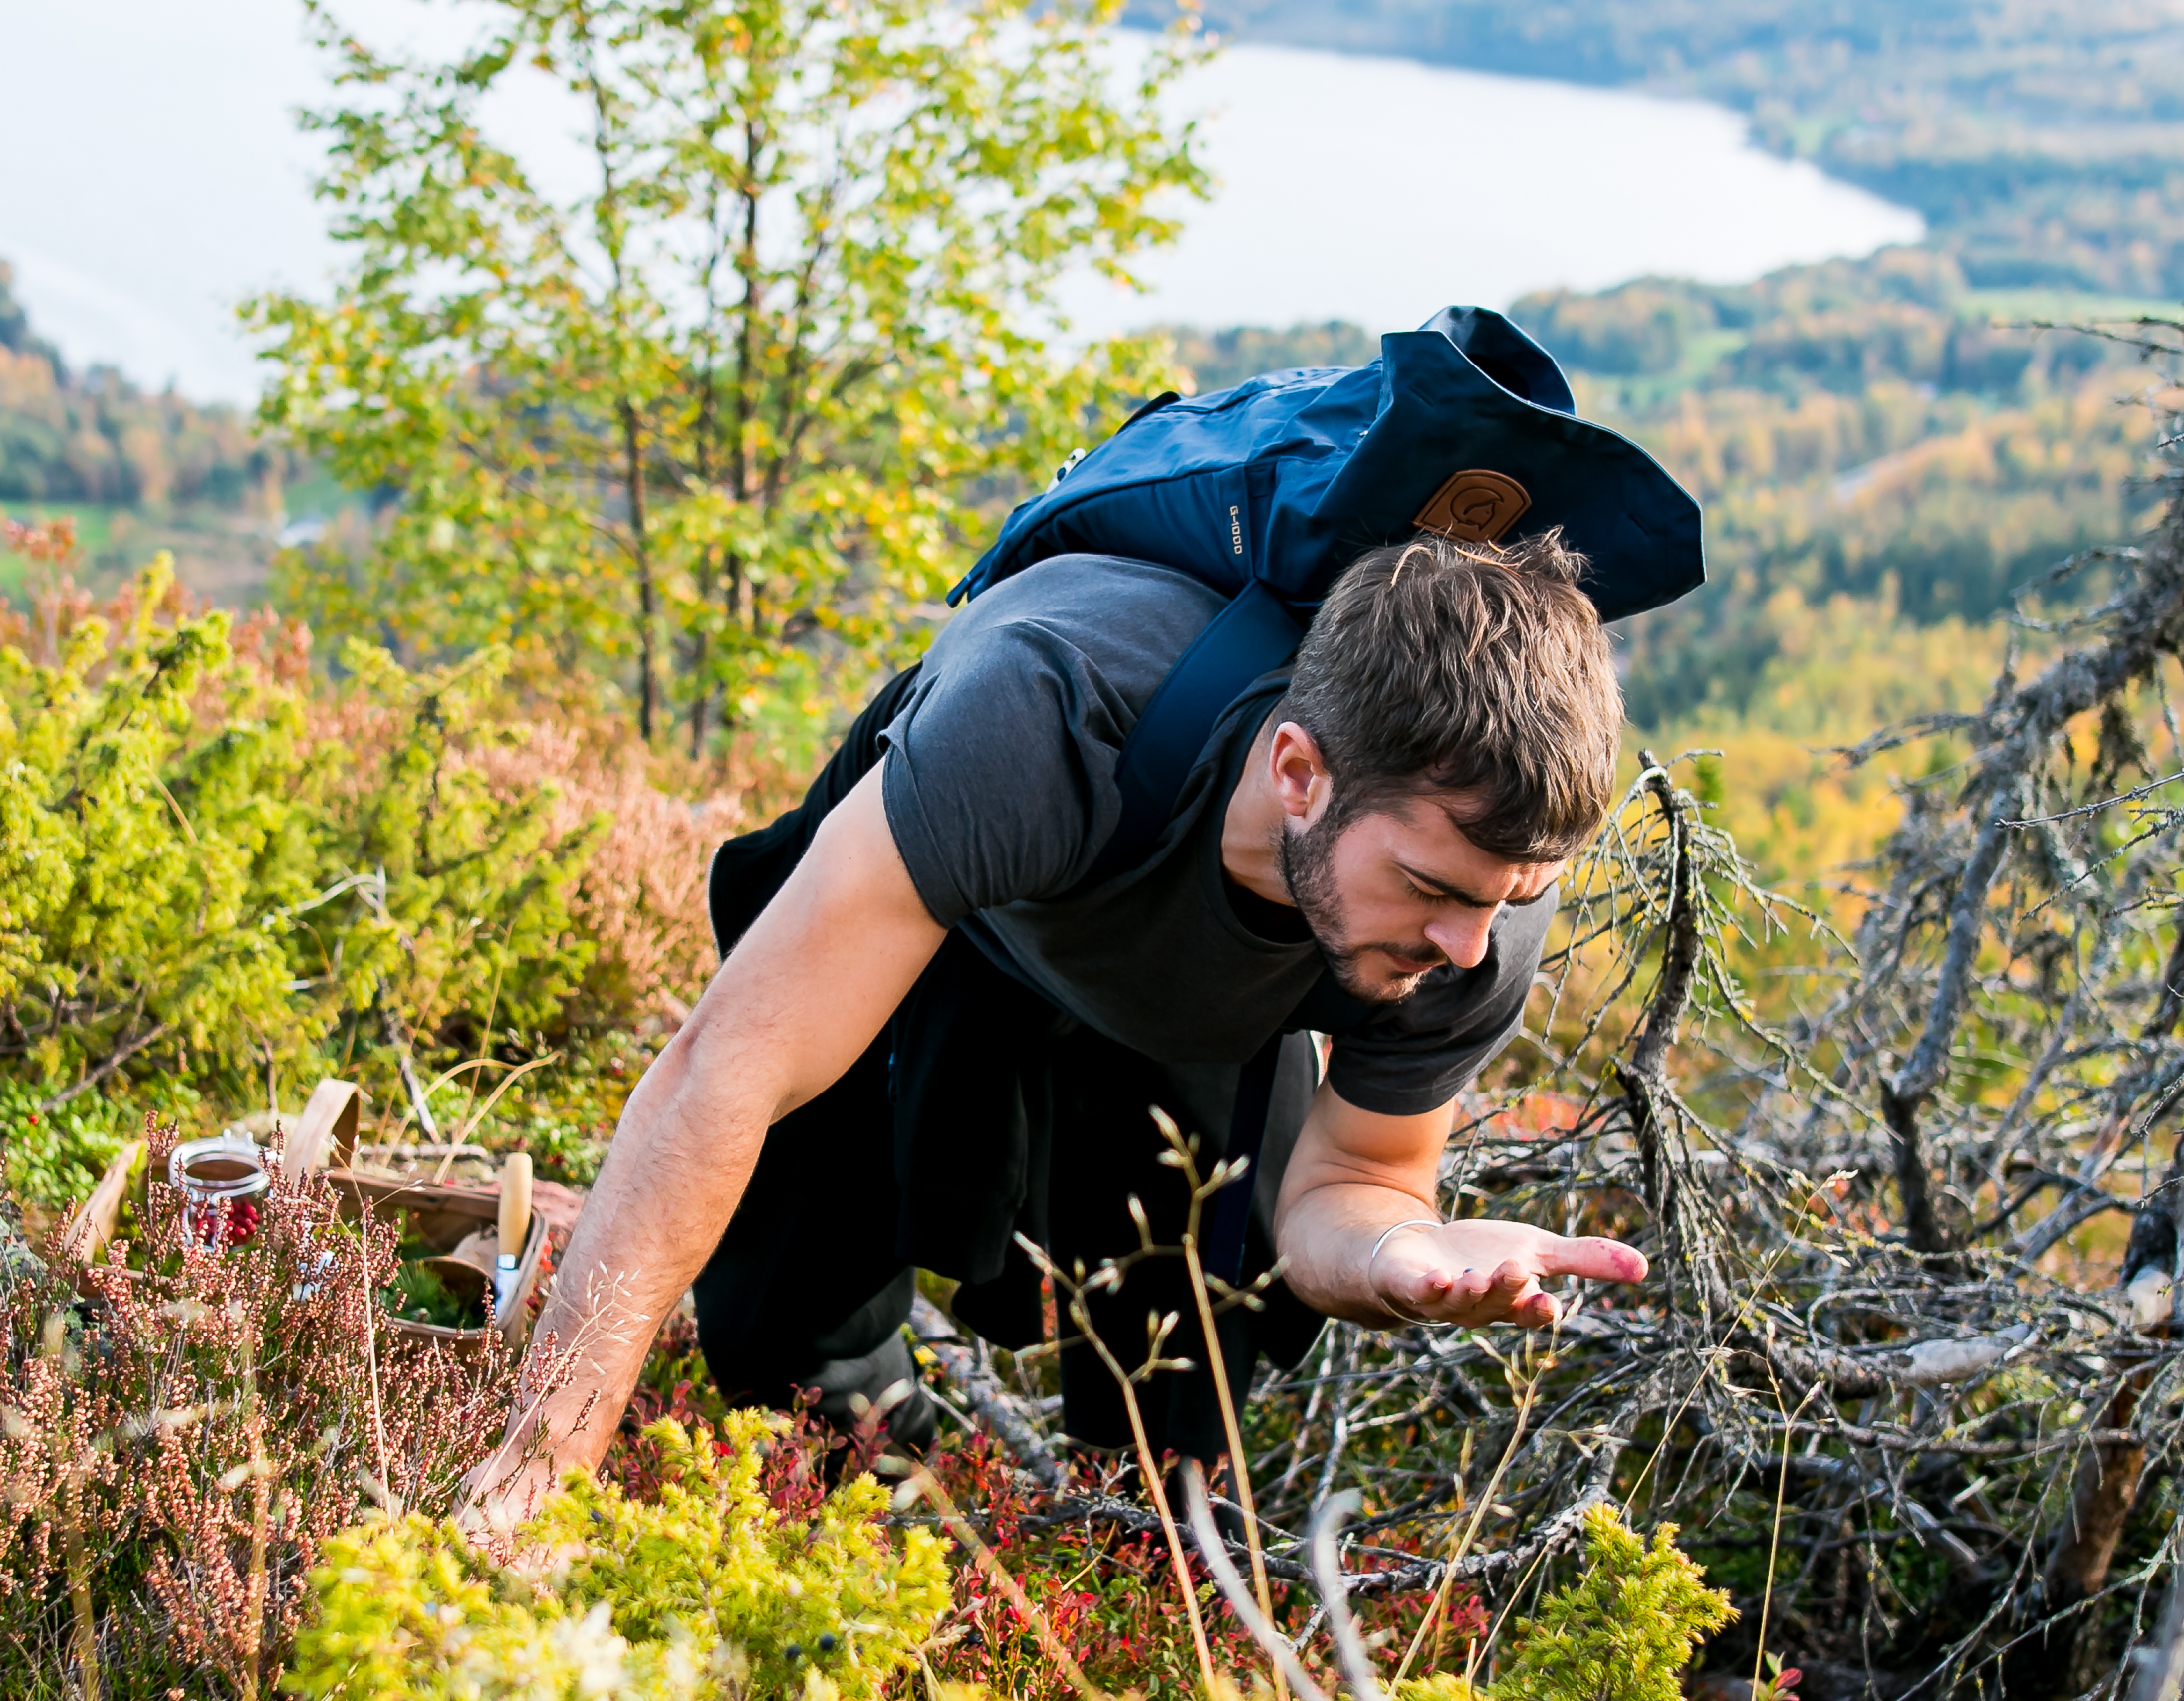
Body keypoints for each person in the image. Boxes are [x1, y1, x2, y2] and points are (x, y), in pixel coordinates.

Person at [459, 527, 1649, 1536]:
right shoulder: (1042, 719)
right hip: (974, 923)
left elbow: (1359, 1179)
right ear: (1299, 772)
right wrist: (537, 1472)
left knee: (1175, 1436)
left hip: (1202, 1006)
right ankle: (888, 1544)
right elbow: (721, 1075)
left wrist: (1396, 1255)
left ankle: (1085, 1628)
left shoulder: (1481, 905)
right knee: (787, 1359)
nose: (1469, 947)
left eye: (1511, 896)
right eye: (1435, 890)